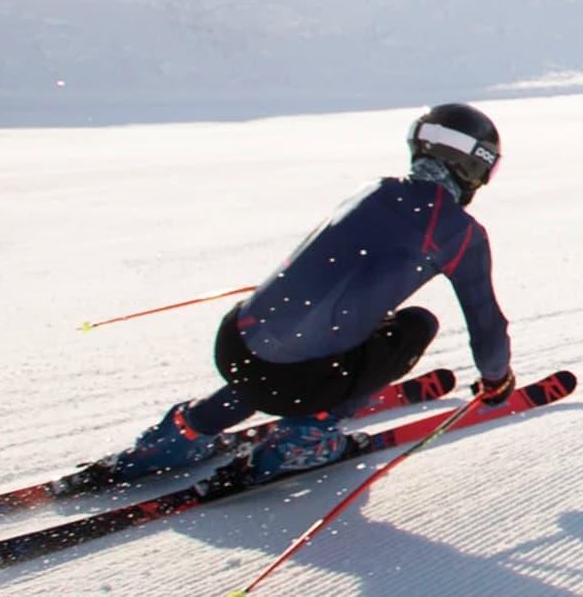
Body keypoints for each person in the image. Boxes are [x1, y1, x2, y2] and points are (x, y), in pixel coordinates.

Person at [108, 103, 515, 480]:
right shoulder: (461, 234)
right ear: (473, 166)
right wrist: (496, 380)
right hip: (300, 383)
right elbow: (486, 325)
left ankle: (185, 432)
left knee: (290, 336)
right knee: (417, 324)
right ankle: (304, 437)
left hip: (234, 346)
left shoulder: (372, 189)